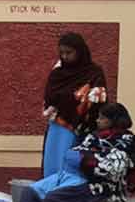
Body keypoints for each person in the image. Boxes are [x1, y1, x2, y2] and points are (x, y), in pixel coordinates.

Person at [6, 103, 135, 202]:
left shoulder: (129, 141)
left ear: (113, 120)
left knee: (54, 198)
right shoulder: (94, 135)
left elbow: (113, 168)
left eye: (102, 118)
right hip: (71, 176)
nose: (97, 120)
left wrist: (83, 159)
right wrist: (83, 158)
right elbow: (76, 152)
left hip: (98, 184)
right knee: (30, 193)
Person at [41, 32, 108, 178]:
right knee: (54, 163)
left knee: (73, 165)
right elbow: (50, 97)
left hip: (82, 129)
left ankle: (70, 197)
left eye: (69, 52)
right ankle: (51, 195)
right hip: (58, 127)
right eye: (62, 53)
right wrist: (77, 96)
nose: (64, 56)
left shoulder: (94, 72)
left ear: (80, 51)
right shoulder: (57, 74)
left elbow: (99, 98)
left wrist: (75, 98)